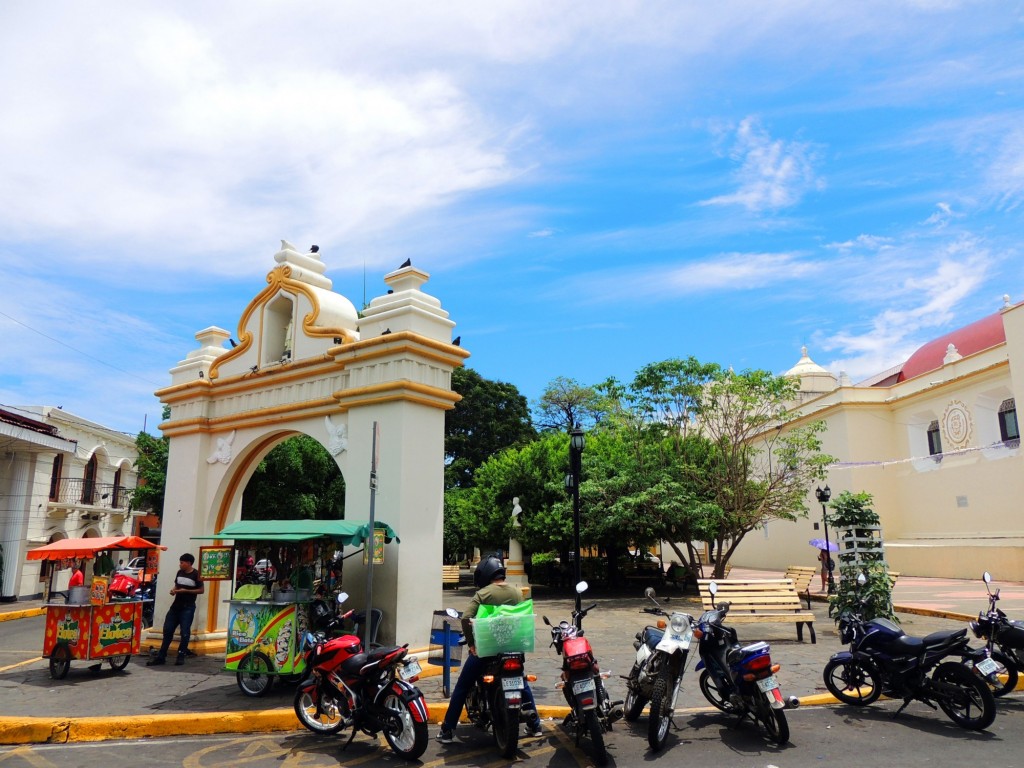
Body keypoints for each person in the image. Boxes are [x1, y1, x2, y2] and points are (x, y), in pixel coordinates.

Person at [437, 555, 542, 744]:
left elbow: (465, 618)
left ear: (485, 574)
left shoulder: (483, 594)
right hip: (513, 650)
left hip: (486, 651)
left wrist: (472, 645)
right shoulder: (517, 593)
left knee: (462, 686)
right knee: (522, 683)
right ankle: (535, 726)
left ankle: (448, 729)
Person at [147, 553, 204, 667]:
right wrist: (174, 590)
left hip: (188, 607)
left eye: (182, 562)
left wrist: (186, 591)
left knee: (185, 633)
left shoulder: (196, 574)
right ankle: (161, 656)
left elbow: (201, 590)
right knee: (167, 630)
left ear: (188, 563)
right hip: (175, 606)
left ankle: (181, 655)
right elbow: (176, 586)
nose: (180, 564)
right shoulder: (180, 573)